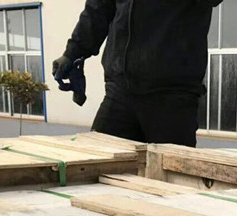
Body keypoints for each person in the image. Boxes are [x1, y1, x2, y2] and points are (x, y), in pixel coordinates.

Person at [52, 0, 223, 146]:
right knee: (97, 164)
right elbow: (99, 8)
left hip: (172, 96)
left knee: (170, 172)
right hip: (120, 91)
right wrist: (73, 52)